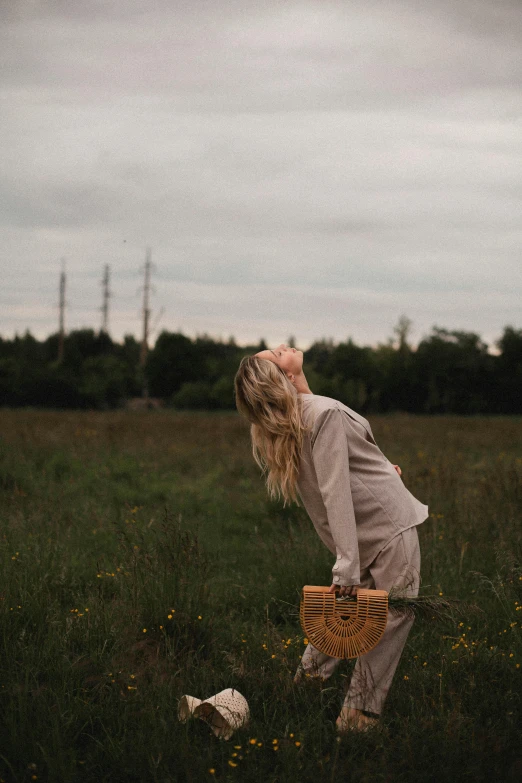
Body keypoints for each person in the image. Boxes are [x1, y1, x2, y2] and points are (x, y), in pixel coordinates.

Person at [234, 344, 428, 733]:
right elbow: (335, 491)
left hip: (368, 526)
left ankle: (305, 686)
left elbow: (340, 467)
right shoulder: (324, 413)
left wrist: (379, 470)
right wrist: (347, 568)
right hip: (386, 527)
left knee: (349, 613)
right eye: (275, 353)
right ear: (282, 377)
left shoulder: (301, 414)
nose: (282, 345)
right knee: (395, 613)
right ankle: (358, 715)